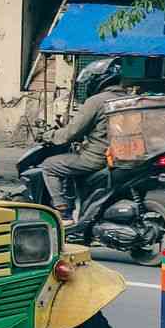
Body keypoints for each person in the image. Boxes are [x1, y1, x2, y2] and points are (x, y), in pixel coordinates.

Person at [41, 58, 127, 223]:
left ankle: (63, 213)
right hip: (124, 155)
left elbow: (71, 133)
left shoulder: (96, 101)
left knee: (50, 166)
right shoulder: (129, 99)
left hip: (98, 157)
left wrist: (48, 135)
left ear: (98, 80)